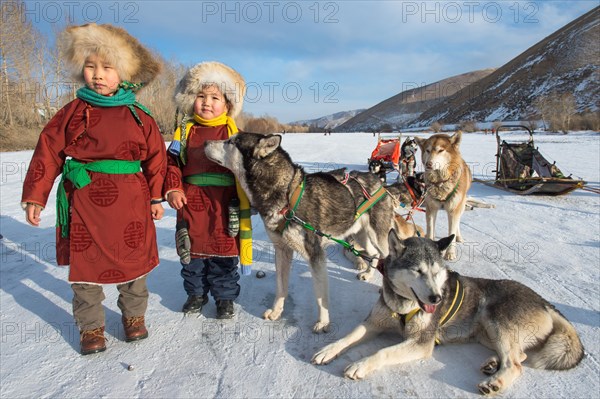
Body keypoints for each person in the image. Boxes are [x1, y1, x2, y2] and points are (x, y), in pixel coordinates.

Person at [21, 23, 167, 355]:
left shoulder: (139, 116)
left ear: (125, 72)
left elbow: (157, 158)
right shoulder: (72, 113)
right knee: (85, 267)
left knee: (134, 264)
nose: (97, 74)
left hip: (132, 201)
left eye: (107, 67)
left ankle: (133, 317)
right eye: (90, 66)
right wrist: (36, 195)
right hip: (86, 200)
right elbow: (48, 151)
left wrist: (157, 195)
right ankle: (91, 327)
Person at [164, 62, 252, 319]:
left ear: (228, 105)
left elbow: (249, 167)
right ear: (191, 100)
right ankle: (196, 294)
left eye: (214, 97)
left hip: (226, 203)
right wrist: (172, 189)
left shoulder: (234, 133)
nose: (206, 102)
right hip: (191, 201)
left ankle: (224, 298)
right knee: (191, 254)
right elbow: (171, 163)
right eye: (201, 96)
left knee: (224, 255)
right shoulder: (184, 132)